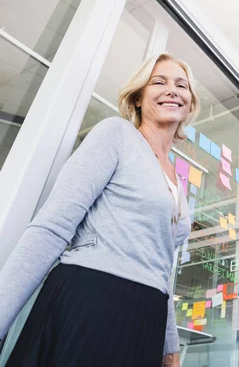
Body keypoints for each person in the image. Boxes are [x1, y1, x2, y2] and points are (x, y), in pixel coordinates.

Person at [0, 53, 200, 366]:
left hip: (147, 315)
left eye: (181, 85)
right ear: (137, 98)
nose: (172, 90)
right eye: (159, 82)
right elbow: (52, 227)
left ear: (190, 104)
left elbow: (161, 265)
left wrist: (169, 345)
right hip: (92, 298)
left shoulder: (175, 178)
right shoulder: (115, 135)